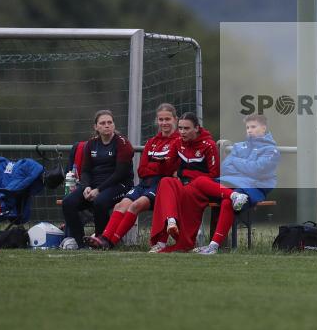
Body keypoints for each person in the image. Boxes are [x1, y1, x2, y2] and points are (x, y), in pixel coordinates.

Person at [85, 103, 180, 250]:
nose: (164, 123)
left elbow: (170, 170)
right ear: (157, 121)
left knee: (135, 205)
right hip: (144, 183)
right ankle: (104, 238)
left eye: (167, 119)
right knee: (121, 205)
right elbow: (141, 170)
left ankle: (109, 242)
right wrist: (158, 166)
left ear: (175, 120)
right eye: (161, 120)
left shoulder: (178, 141)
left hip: (161, 185)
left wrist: (155, 167)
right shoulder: (151, 142)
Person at [189, 113, 281, 254]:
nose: (249, 130)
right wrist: (245, 167)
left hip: (253, 187)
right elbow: (226, 167)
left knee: (227, 203)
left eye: (253, 127)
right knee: (198, 183)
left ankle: (213, 246)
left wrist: (237, 162)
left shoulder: (271, 150)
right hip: (232, 184)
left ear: (263, 128)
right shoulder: (239, 146)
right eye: (247, 127)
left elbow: (256, 170)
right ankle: (186, 242)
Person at [61, 110, 135, 248]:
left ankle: (101, 241)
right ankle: (80, 243)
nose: (107, 125)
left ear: (113, 125)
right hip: (94, 186)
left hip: (119, 185)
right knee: (68, 202)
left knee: (100, 202)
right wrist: (86, 186)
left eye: (110, 122)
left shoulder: (122, 143)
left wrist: (98, 190)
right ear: (96, 127)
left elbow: (120, 173)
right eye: (102, 123)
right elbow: (86, 171)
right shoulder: (91, 144)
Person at [147, 112, 219, 252]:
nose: (182, 132)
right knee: (165, 181)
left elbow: (214, 175)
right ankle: (170, 224)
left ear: (197, 128)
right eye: (180, 128)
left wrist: (182, 173)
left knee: (176, 191)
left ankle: (171, 239)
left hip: (200, 188)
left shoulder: (208, 145)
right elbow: (168, 169)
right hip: (183, 184)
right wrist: (162, 162)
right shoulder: (177, 142)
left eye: (186, 128)